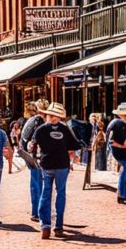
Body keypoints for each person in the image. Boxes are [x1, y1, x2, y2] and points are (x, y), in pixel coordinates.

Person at [31, 102, 82, 238]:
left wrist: (34, 157)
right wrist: (72, 160)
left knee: (45, 193)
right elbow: (74, 147)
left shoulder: (41, 129)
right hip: (62, 165)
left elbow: (32, 147)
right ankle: (58, 226)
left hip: (47, 164)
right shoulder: (65, 129)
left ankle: (45, 225)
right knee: (60, 193)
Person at [19, 101, 46, 222]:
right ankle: (39, 212)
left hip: (32, 157)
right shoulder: (38, 121)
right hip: (37, 157)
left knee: (35, 185)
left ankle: (36, 211)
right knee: (39, 185)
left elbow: (23, 141)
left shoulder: (31, 121)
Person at [107, 103, 126, 204]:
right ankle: (123, 195)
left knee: (125, 171)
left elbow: (110, 140)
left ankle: (122, 194)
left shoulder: (113, 123)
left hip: (117, 152)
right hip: (123, 153)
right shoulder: (122, 124)